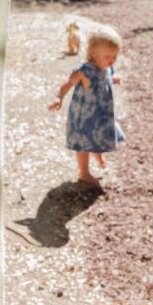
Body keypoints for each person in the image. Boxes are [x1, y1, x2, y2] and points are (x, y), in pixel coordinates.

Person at [49, 24, 124, 187]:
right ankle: (84, 173)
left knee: (98, 134)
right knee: (84, 142)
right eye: (108, 57)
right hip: (84, 116)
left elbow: (110, 74)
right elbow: (67, 85)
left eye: (114, 56)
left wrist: (114, 77)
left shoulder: (107, 67)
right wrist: (58, 98)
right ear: (93, 54)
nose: (112, 61)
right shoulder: (84, 72)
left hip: (101, 112)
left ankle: (97, 152)